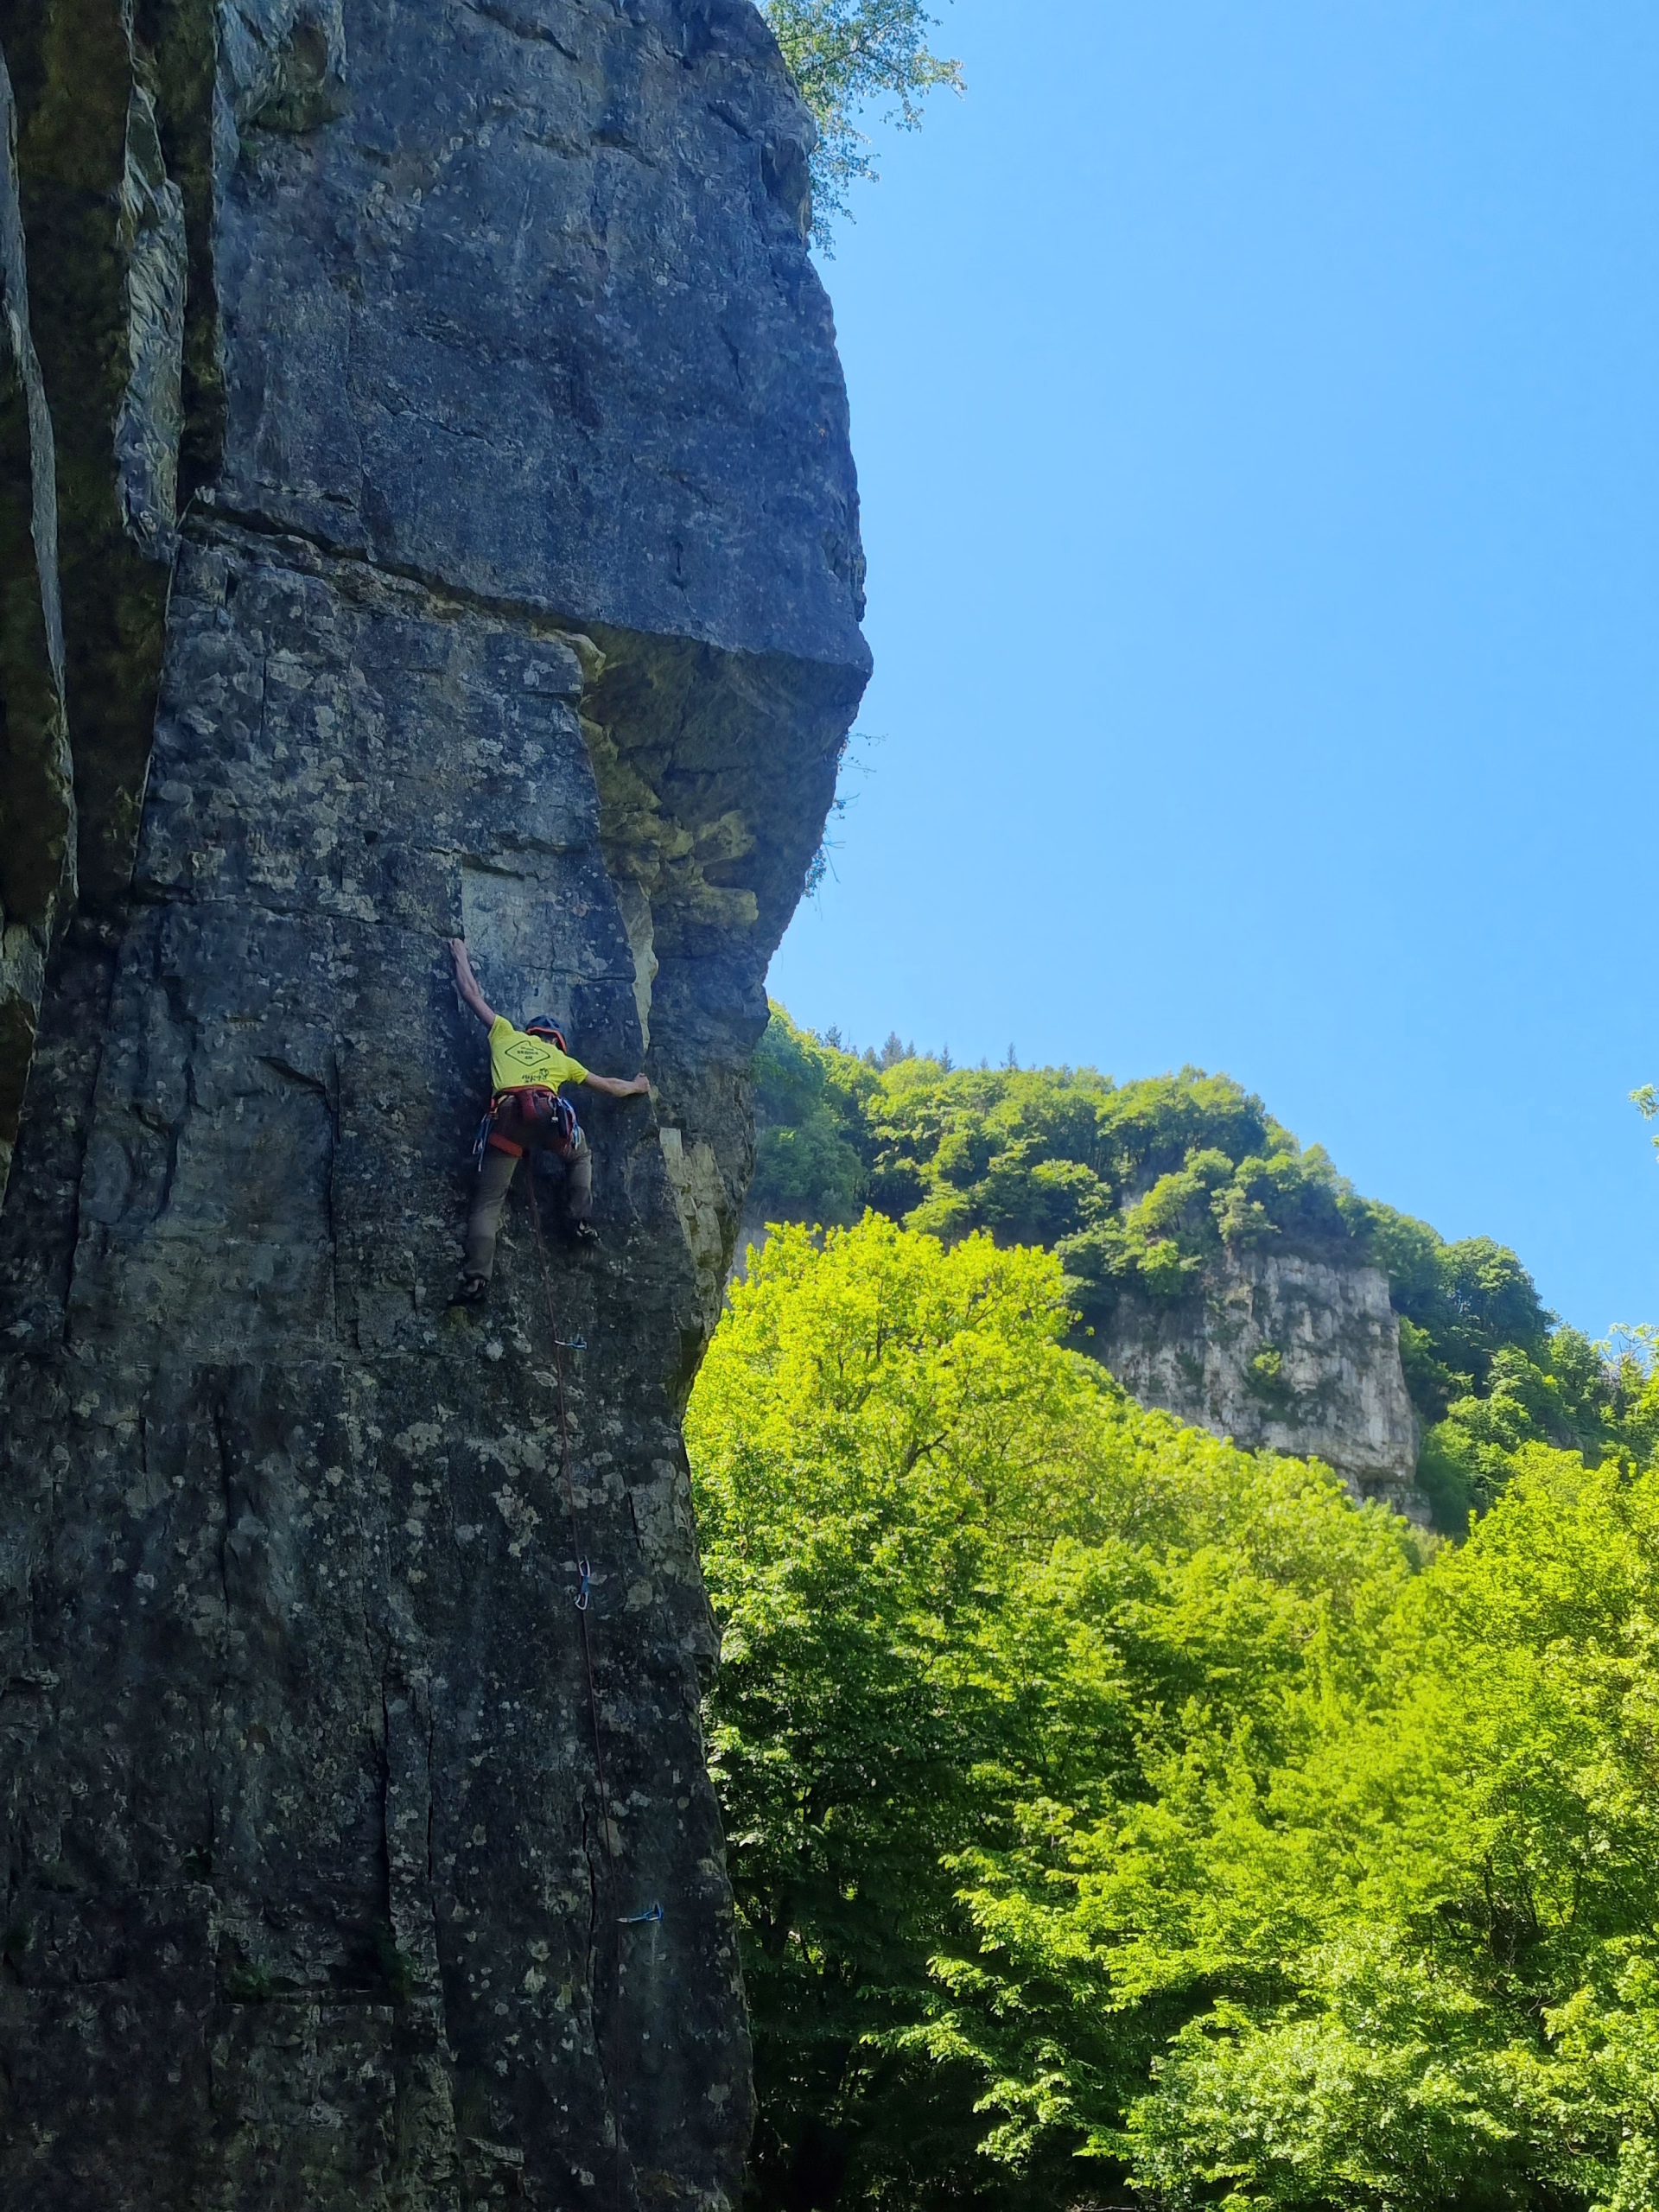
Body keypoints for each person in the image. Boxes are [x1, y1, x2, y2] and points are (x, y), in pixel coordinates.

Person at [448, 938, 649, 1301]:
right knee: (580, 1154)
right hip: (547, 1114)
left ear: (531, 1033)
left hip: (507, 1117)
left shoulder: (504, 1032)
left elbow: (471, 992)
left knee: (489, 1202)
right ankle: (581, 1219)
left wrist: (459, 953)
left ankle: (476, 1278)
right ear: (557, 1041)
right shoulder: (562, 1061)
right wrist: (637, 1086)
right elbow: (608, 1086)